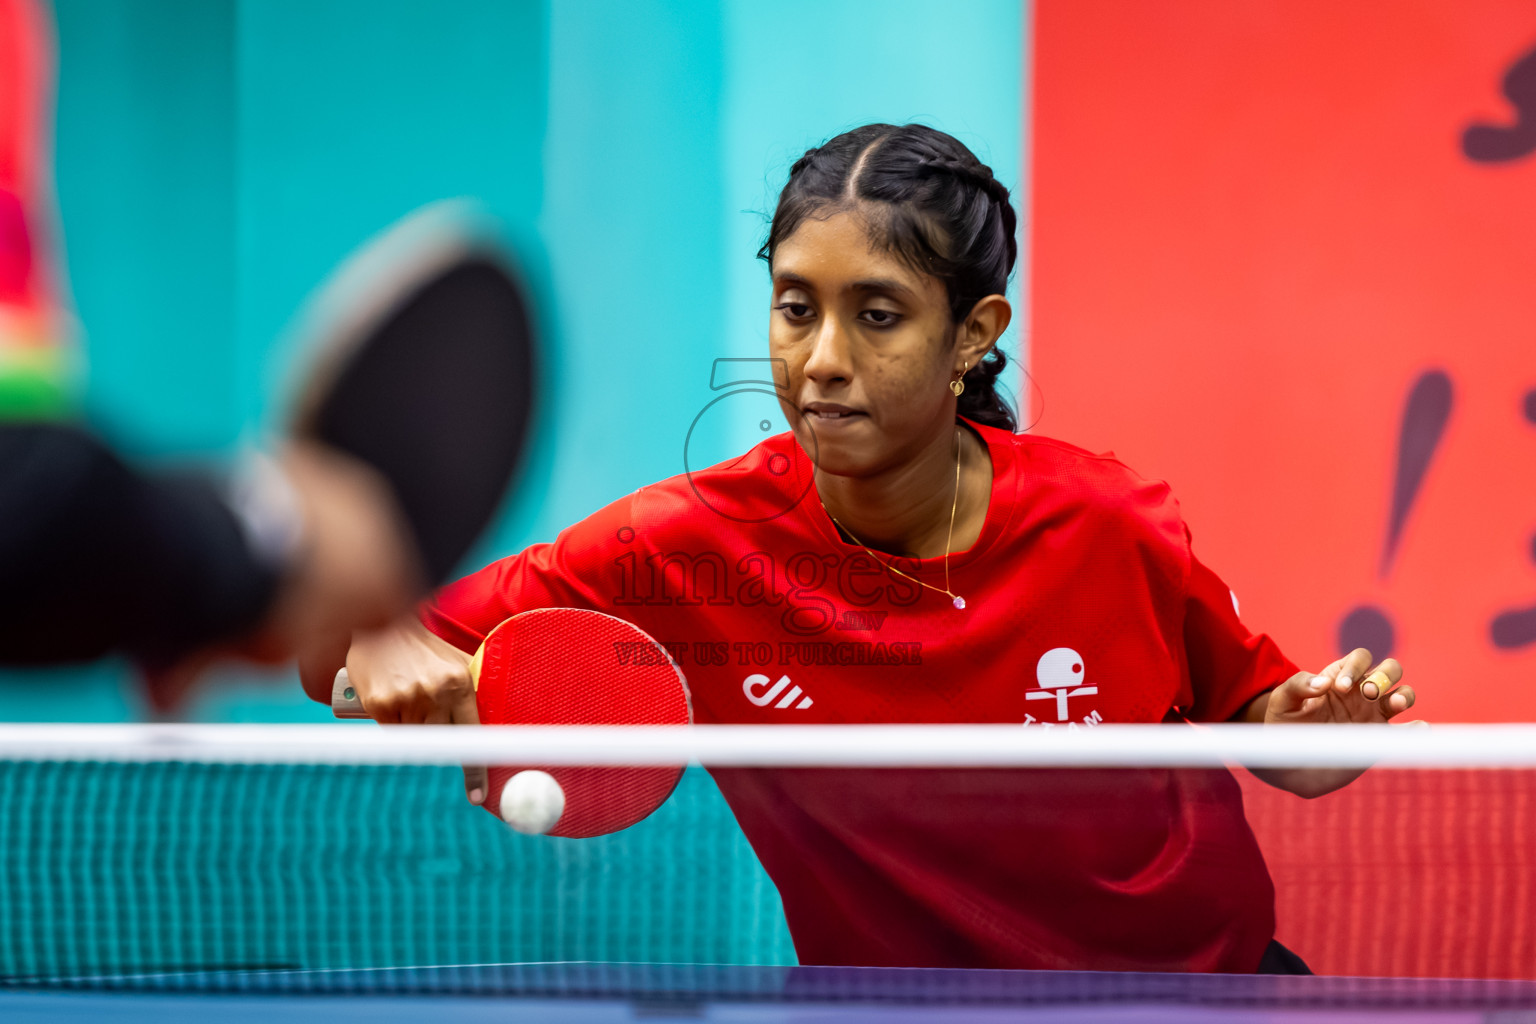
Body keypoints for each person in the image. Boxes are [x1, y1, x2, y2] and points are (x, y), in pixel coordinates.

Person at [319, 124, 1416, 974]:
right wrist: (376, 641)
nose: (822, 360)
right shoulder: (687, 547)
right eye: (797, 309)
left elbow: (1281, 742)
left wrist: (1317, 726)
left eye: (878, 315)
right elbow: (344, 642)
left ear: (972, 336)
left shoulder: (1108, 522)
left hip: (1200, 995)